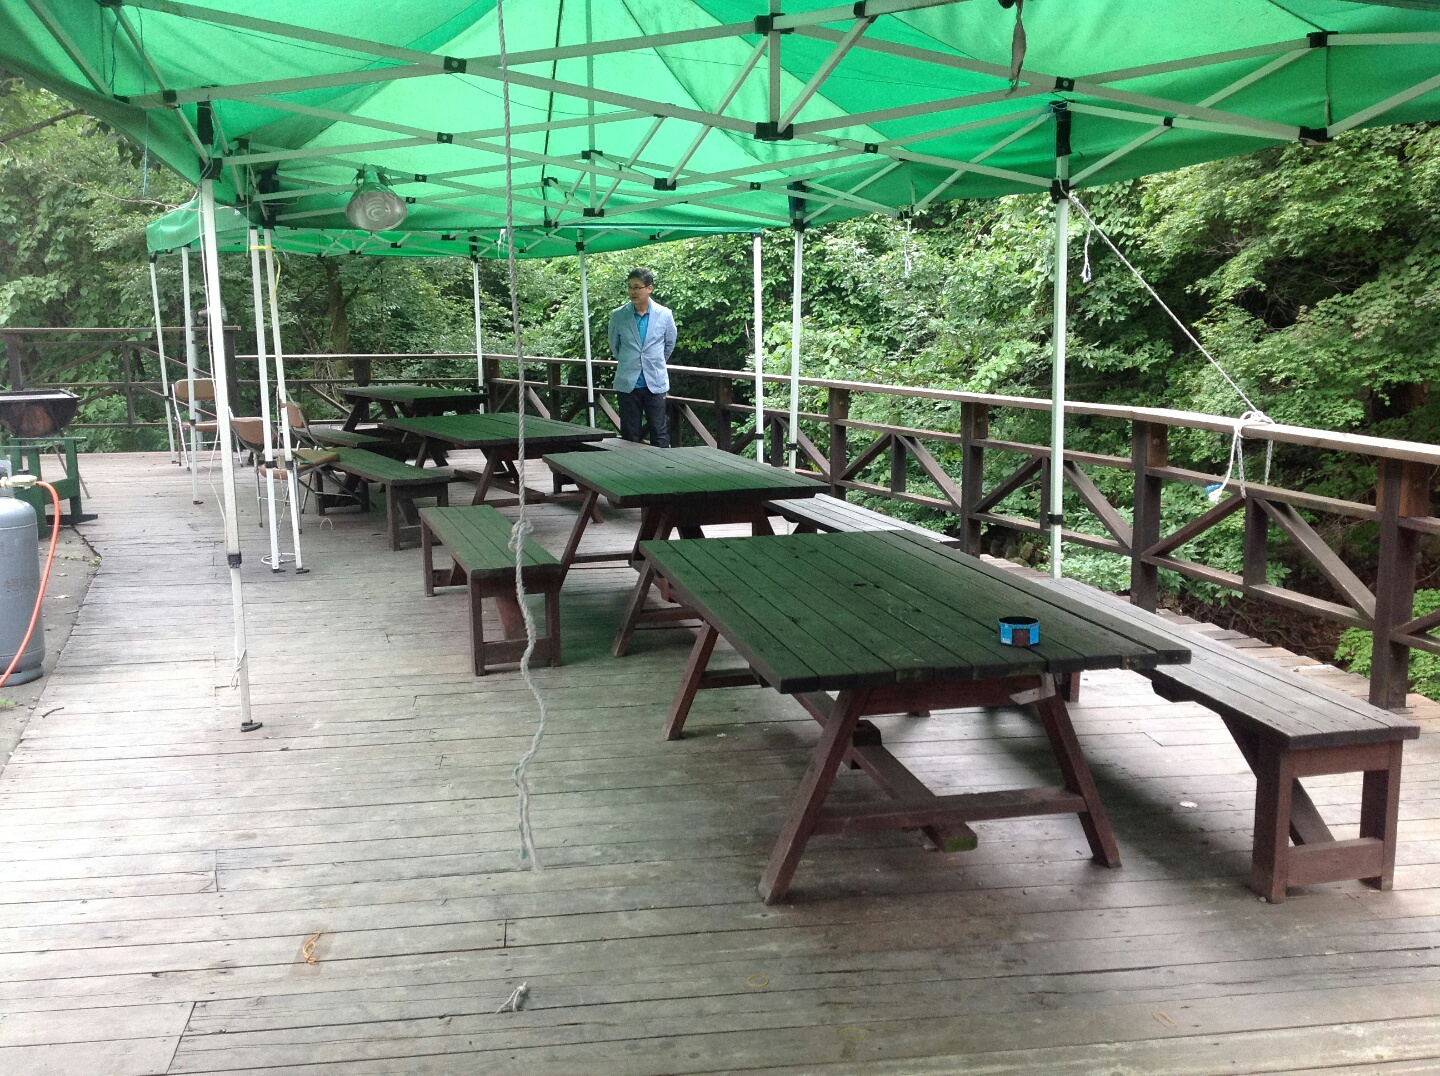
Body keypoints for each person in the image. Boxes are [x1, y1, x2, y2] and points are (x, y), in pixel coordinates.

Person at [608, 268, 677, 446]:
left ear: (649, 288)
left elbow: (669, 344)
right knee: (629, 435)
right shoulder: (618, 315)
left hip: (655, 381)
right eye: (630, 287)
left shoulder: (664, 314)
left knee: (659, 433)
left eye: (637, 287)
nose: (633, 291)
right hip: (628, 382)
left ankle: (662, 464)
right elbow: (615, 346)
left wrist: (652, 361)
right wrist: (630, 361)